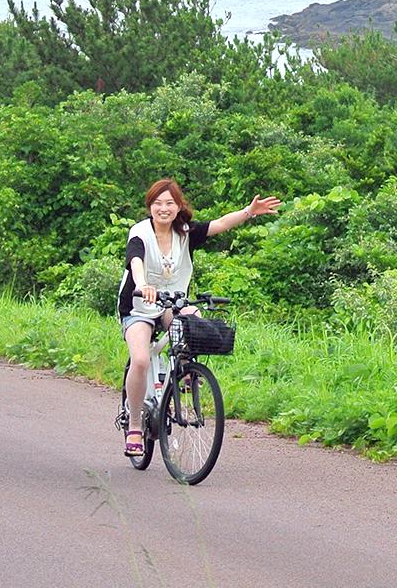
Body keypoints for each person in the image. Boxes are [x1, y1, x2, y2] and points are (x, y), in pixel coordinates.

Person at [118, 178, 280, 457]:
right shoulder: (140, 232)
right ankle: (134, 426)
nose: (163, 208)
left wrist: (249, 211)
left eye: (169, 203)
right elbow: (136, 261)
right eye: (157, 203)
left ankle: (186, 372)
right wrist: (144, 285)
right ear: (150, 206)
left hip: (172, 303)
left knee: (193, 321)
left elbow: (219, 224)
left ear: (178, 206)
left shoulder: (185, 232)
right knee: (141, 359)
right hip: (138, 306)